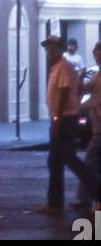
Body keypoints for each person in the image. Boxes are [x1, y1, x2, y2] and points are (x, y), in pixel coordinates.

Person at [35, 34, 97, 215]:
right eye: (47, 48)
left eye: (52, 48)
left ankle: (97, 190)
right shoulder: (57, 67)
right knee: (55, 161)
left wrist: (56, 119)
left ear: (60, 49)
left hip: (64, 119)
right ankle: (54, 203)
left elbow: (64, 92)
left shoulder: (64, 67)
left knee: (70, 159)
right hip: (62, 118)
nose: (48, 51)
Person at [81, 40, 101, 212]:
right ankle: (85, 198)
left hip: (100, 130)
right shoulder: (97, 75)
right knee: (91, 164)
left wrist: (78, 108)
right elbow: (88, 87)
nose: (97, 61)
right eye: (96, 57)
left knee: (89, 164)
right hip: (97, 128)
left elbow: (95, 99)